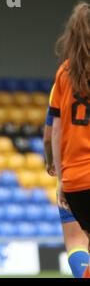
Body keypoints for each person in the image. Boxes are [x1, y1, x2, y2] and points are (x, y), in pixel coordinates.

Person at [50, 1, 90, 278]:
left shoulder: (64, 73)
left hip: (76, 180)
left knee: (79, 242)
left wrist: (62, 179)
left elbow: (56, 130)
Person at [43, 107, 89, 277]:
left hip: (73, 174)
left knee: (77, 241)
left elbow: (51, 135)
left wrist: (51, 164)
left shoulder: (62, 82)